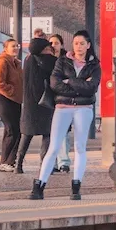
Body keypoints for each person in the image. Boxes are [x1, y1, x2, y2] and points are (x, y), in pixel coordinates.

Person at [30, 30, 100, 201]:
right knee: (53, 147)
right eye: (76, 43)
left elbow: (93, 87)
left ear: (88, 45)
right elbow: (55, 83)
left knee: (80, 147)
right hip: (62, 107)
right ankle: (40, 185)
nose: (78, 47)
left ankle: (76, 185)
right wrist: (80, 85)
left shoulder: (94, 65)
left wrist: (70, 82)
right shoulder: (62, 61)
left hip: (84, 108)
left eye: (82, 43)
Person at [15, 37, 55, 173]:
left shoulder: (28, 60)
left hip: (30, 103)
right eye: (48, 47)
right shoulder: (49, 60)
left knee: (27, 134)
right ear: (43, 49)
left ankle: (18, 164)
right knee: (47, 134)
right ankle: (44, 164)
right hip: (46, 102)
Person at [0, 39, 23, 172]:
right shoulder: (3, 61)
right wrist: (11, 91)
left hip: (15, 100)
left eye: (17, 46)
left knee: (16, 130)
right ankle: (6, 161)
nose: (15, 48)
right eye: (12, 46)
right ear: (5, 48)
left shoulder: (16, 63)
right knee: (11, 129)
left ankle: (10, 160)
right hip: (5, 99)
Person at [48, 33, 73, 173]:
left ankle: (63, 161)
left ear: (61, 44)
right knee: (53, 132)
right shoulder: (46, 60)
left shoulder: (66, 60)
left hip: (64, 99)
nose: (53, 46)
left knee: (63, 131)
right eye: (51, 43)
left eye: (56, 43)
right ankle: (55, 162)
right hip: (51, 101)